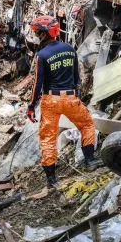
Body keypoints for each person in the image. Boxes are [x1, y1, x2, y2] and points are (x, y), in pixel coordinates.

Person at [27, 15, 102, 188]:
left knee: (48, 137)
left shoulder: (41, 55)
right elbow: (77, 78)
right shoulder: (70, 49)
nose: (37, 35)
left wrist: (31, 107)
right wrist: (76, 96)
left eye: (38, 32)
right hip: (70, 97)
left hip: (50, 100)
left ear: (45, 34)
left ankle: (52, 179)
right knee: (87, 124)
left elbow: (37, 83)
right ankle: (90, 159)